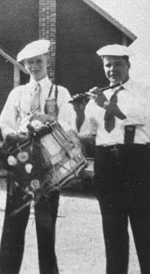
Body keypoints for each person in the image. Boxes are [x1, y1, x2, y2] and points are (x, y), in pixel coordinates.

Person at [0, 40, 76, 274]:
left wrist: (48, 124)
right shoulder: (18, 93)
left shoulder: (60, 92)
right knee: (14, 221)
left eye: (38, 62)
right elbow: (5, 124)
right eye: (29, 63)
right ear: (24, 65)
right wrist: (16, 135)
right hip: (21, 164)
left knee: (45, 223)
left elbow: (69, 123)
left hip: (48, 165)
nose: (34, 67)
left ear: (46, 62)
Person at [76, 44, 150, 274]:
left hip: (136, 160)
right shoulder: (98, 96)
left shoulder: (142, 91)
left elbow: (138, 117)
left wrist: (109, 106)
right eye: (108, 65)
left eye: (118, 64)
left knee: (143, 227)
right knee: (112, 228)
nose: (112, 70)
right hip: (107, 162)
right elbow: (86, 133)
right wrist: (80, 111)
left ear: (128, 65)